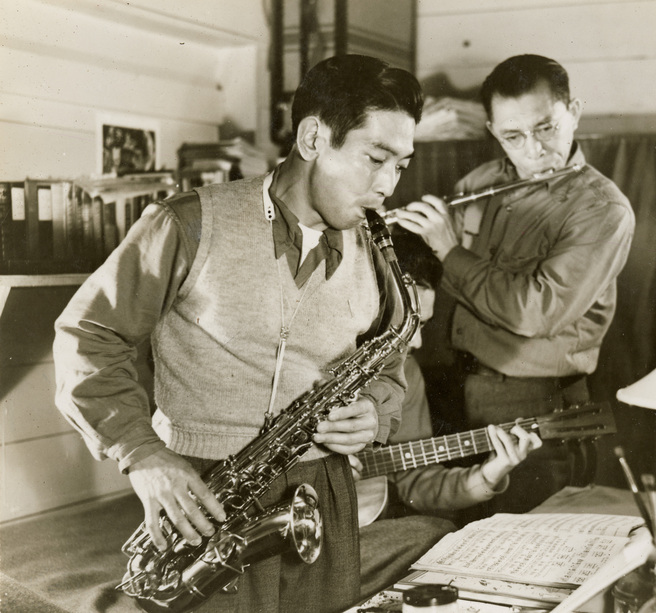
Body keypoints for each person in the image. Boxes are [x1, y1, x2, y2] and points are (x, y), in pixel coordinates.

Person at [53, 54, 423, 613]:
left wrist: (375, 412)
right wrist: (142, 454)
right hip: (203, 497)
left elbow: (390, 363)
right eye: (376, 158)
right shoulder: (185, 221)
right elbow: (87, 335)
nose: (388, 185)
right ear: (313, 137)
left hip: (323, 498)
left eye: (402, 165)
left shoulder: (375, 255)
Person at [393, 54, 635, 515]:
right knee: (461, 533)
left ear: (574, 112)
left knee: (526, 543)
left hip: (537, 405)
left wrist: (449, 249)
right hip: (460, 391)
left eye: (546, 128)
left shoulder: (602, 208)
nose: (533, 149)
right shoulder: (479, 183)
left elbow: (535, 312)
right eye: (512, 136)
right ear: (491, 131)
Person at [353, 231, 543, 599]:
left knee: (436, 532)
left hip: (344, 539)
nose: (418, 343)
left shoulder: (406, 374)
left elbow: (416, 483)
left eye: (422, 325)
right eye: (410, 324)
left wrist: (488, 474)